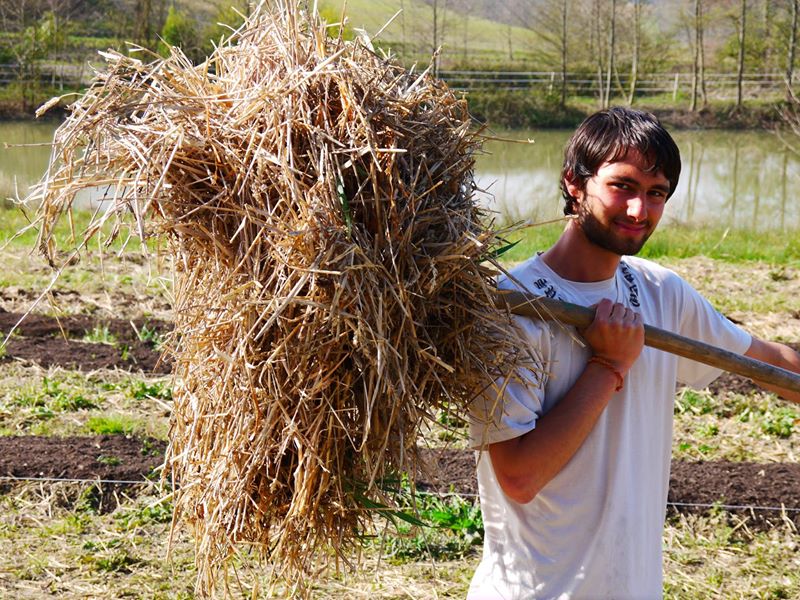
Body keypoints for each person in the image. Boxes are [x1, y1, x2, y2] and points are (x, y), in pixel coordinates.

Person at [468, 106, 800, 600]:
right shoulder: (510, 308)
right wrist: (607, 365)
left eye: (656, 193)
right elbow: (519, 476)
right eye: (622, 186)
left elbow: (766, 362)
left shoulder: (662, 292)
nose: (639, 211)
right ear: (574, 183)